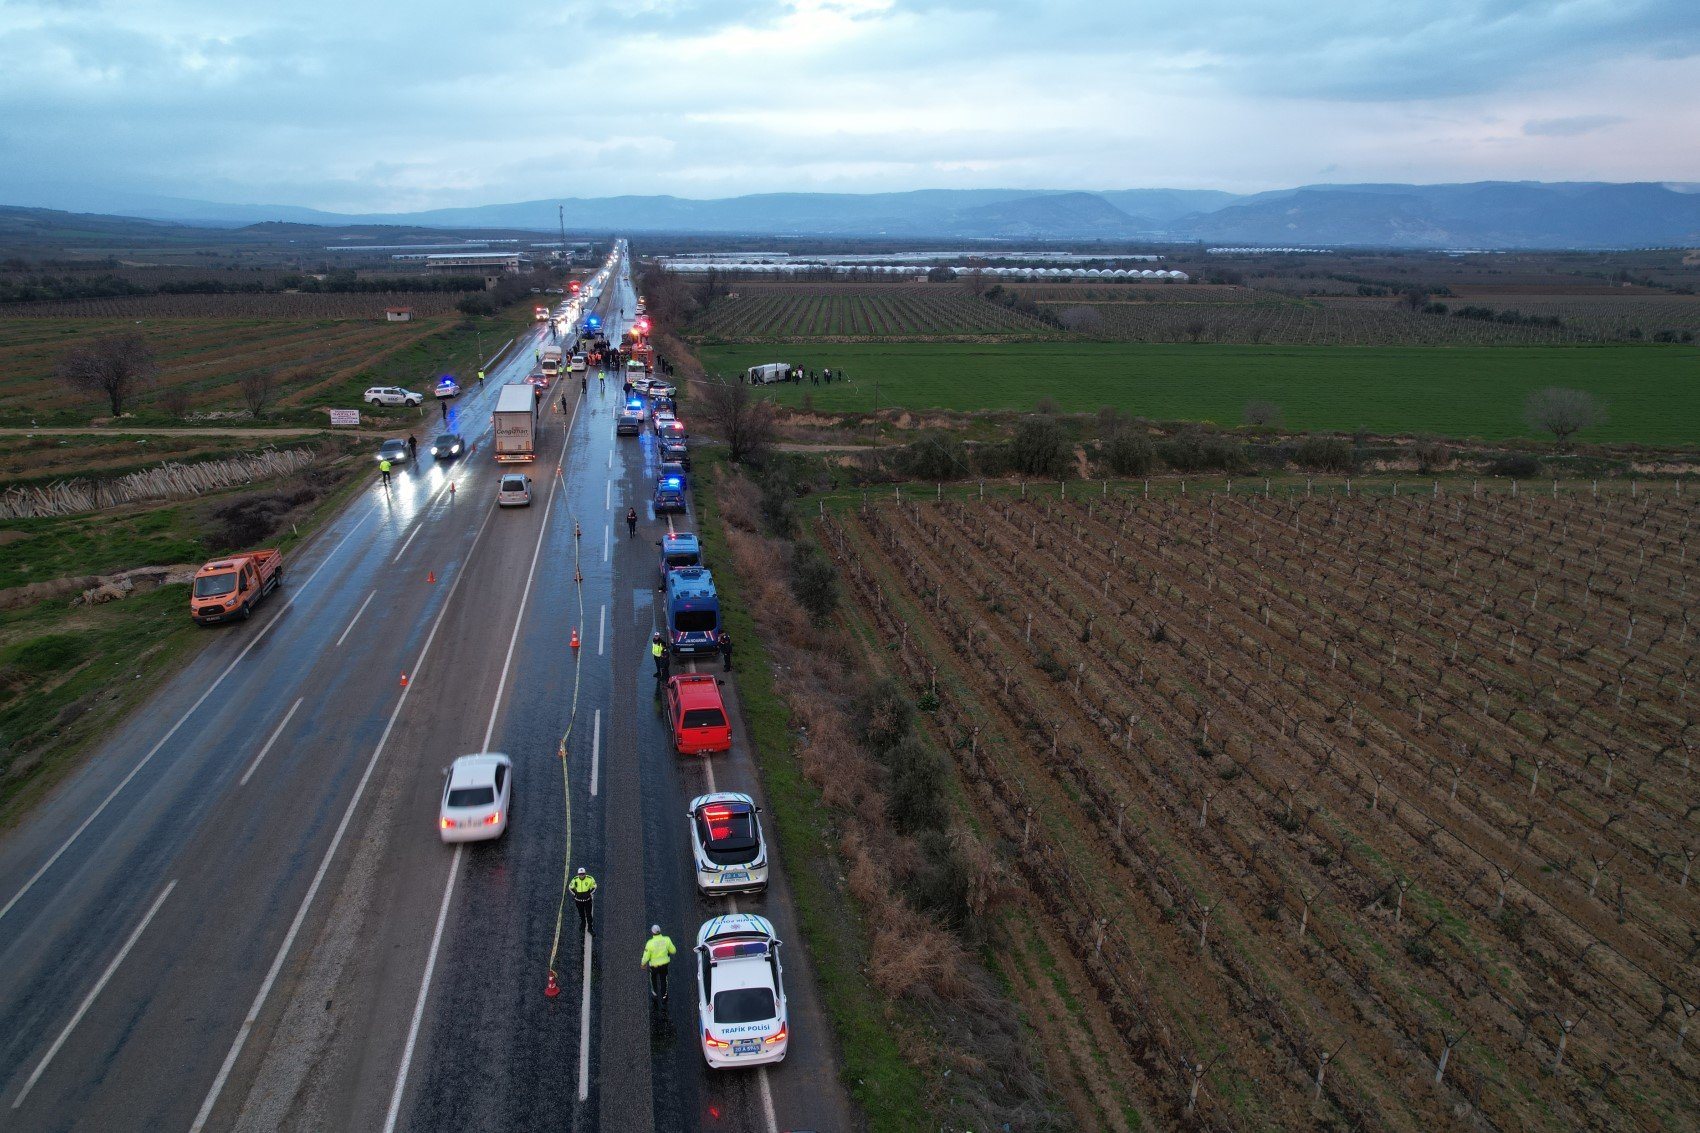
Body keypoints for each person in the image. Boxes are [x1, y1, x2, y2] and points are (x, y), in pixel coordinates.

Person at [641, 924, 676, 1004]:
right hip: (664, 965)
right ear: (660, 931)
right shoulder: (667, 940)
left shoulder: (649, 943)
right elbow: (673, 950)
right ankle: (664, 995)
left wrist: (643, 964)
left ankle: (655, 993)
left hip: (654, 966)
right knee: (664, 979)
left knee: (653, 979)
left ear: (652, 933)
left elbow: (646, 956)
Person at [570, 867, 597, 935]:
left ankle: (590, 928)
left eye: (583, 874)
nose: (581, 875)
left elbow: (595, 886)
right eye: (580, 874)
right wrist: (575, 894)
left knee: (589, 915)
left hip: (587, 901)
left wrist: (589, 893)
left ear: (585, 873)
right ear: (578, 874)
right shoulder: (575, 880)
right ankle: (583, 923)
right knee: (581, 913)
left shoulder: (590, 879)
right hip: (578, 901)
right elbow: (570, 887)